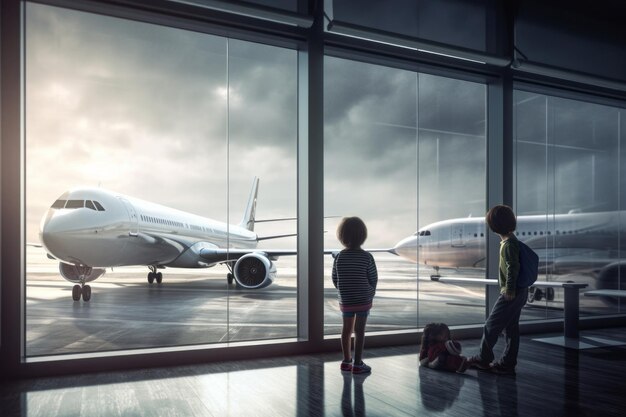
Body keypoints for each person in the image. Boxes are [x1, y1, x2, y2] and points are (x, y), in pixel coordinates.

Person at [468, 205, 527, 375]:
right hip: (520, 291)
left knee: (491, 325)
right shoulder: (510, 241)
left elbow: (512, 268)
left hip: (512, 293)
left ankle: (483, 359)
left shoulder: (508, 244)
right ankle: (507, 364)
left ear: (494, 225)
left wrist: (508, 290)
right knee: (511, 329)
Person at [332, 216, 378, 374]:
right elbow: (373, 279)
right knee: (360, 331)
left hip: (346, 300)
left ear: (342, 236)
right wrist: (370, 293)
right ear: (362, 236)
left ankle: (346, 361)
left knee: (346, 330)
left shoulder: (339, 257)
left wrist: (343, 291)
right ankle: (358, 364)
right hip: (363, 300)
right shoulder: (367, 257)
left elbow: (335, 278)